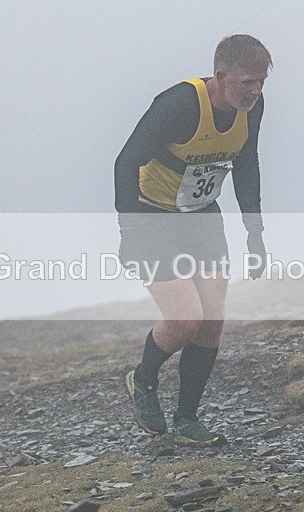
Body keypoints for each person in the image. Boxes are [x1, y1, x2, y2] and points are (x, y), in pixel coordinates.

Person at [114, 34, 272, 446]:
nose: (256, 91)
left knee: (212, 320)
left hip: (201, 218)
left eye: (261, 82)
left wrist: (254, 233)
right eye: (247, 83)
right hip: (151, 217)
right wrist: (128, 230)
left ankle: (187, 419)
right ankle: (142, 380)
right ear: (220, 76)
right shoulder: (179, 104)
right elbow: (126, 161)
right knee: (186, 319)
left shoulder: (249, 109)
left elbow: (246, 163)